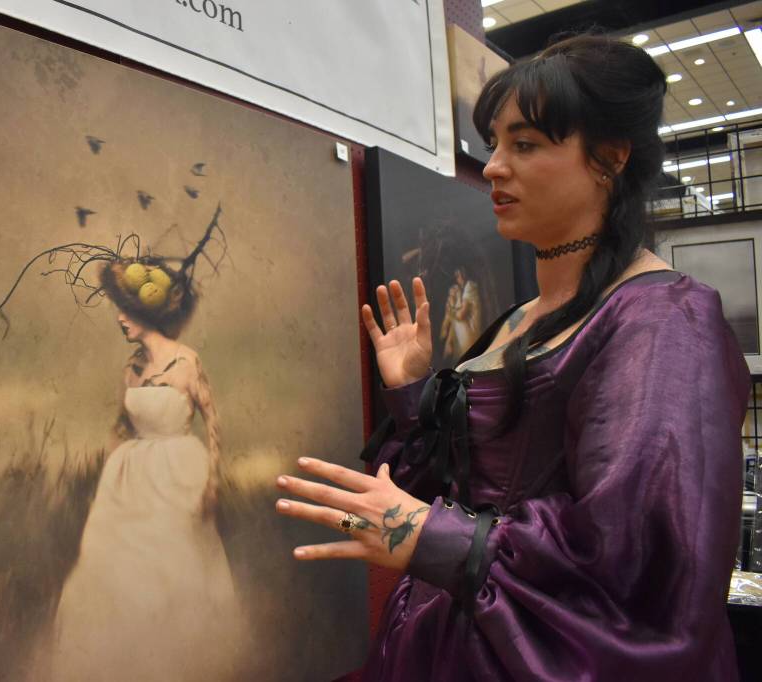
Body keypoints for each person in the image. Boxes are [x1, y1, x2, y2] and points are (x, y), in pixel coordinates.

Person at [275, 34, 750, 680]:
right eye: (494, 144)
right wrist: (413, 393)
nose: (494, 167)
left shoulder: (664, 321)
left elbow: (633, 564)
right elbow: (451, 491)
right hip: (446, 642)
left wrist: (435, 539)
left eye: (524, 145)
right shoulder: (519, 318)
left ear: (610, 158)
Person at [46, 252, 244, 680]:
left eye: (126, 311)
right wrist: (106, 475)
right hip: (131, 474)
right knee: (113, 565)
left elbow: (212, 420)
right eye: (119, 310)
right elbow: (122, 425)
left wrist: (213, 480)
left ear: (145, 313)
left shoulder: (187, 362)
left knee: (173, 561)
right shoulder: (131, 368)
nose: (120, 319)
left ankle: (177, 662)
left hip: (179, 470)